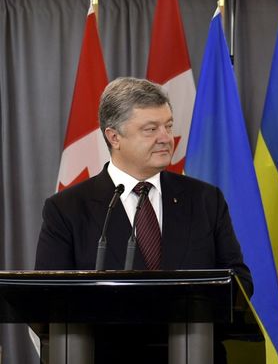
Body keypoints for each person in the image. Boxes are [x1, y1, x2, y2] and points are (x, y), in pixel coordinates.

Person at [35, 76, 251, 362]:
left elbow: (240, 282)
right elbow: (47, 300)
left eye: (168, 126)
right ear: (114, 137)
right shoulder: (67, 208)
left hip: (193, 353)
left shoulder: (205, 199)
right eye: (151, 129)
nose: (166, 138)